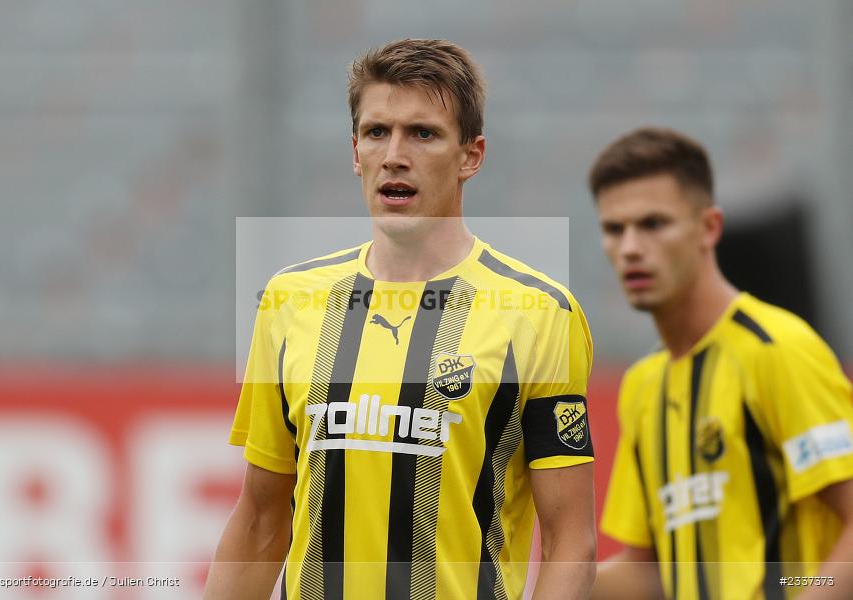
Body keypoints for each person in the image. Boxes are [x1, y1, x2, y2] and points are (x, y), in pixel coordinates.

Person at [204, 39, 597, 600]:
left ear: (471, 157)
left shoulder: (538, 313)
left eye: (423, 133)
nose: (393, 154)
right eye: (376, 132)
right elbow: (260, 521)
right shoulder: (289, 301)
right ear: (355, 152)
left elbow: (570, 544)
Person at [588, 127, 853, 600]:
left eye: (653, 224)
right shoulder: (643, 385)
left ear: (709, 228)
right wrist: (522, 586)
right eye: (614, 229)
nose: (629, 247)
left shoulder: (777, 350)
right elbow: (650, 571)